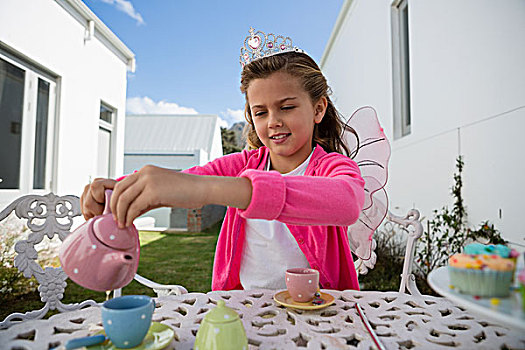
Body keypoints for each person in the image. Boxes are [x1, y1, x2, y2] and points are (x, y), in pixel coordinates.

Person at [81, 28, 372, 292]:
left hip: (321, 309)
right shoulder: (241, 165)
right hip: (246, 307)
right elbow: (186, 178)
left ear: (318, 109)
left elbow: (346, 203)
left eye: (286, 107)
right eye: (260, 112)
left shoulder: (333, 166)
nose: (273, 122)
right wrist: (117, 188)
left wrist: (210, 189)